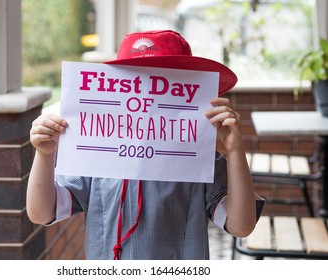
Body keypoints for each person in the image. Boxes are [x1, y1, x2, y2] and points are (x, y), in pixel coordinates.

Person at [26, 30, 264, 260]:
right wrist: (45, 155)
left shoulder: (200, 161)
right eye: (136, 83)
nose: (149, 98)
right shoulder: (96, 154)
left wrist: (235, 151)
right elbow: (41, 212)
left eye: (164, 86)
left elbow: (241, 226)